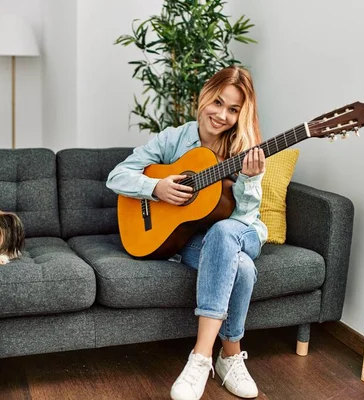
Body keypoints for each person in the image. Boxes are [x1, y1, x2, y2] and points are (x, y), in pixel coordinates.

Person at [106, 65, 267, 400]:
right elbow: (117, 176)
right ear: (205, 96)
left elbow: (244, 217)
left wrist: (250, 180)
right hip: (196, 242)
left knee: (225, 231)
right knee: (241, 268)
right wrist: (155, 188)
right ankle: (230, 356)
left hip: (245, 232)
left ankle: (200, 358)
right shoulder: (174, 138)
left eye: (233, 109)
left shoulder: (243, 149)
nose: (222, 115)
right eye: (218, 103)